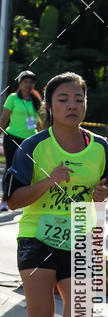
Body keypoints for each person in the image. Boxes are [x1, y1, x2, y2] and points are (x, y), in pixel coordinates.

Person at [3, 71, 108, 317]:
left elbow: (107, 185)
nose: (72, 106)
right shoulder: (33, 147)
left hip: (80, 240)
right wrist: (48, 182)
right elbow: (13, 200)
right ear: (50, 106)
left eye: (79, 99)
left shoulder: (99, 147)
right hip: (37, 238)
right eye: (63, 99)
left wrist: (104, 193)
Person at [1, 70, 42, 211]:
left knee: (32, 169)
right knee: (10, 167)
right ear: (20, 83)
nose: (28, 84)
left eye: (31, 82)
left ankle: (27, 199)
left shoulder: (36, 100)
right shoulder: (12, 98)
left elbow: (41, 120)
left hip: (30, 140)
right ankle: (5, 199)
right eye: (25, 81)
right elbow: (4, 119)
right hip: (12, 137)